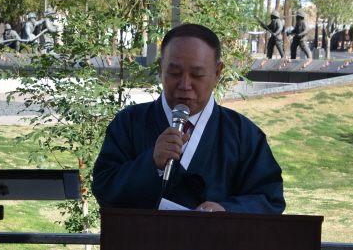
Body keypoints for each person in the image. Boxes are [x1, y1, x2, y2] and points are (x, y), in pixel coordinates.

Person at [92, 23, 285, 214]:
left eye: (197, 75)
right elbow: (104, 189)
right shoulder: (130, 122)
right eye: (174, 73)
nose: (184, 85)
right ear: (161, 68)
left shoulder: (242, 133)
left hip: (215, 235)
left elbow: (269, 198)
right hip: (142, 235)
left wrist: (227, 211)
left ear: (217, 73)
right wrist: (150, 163)